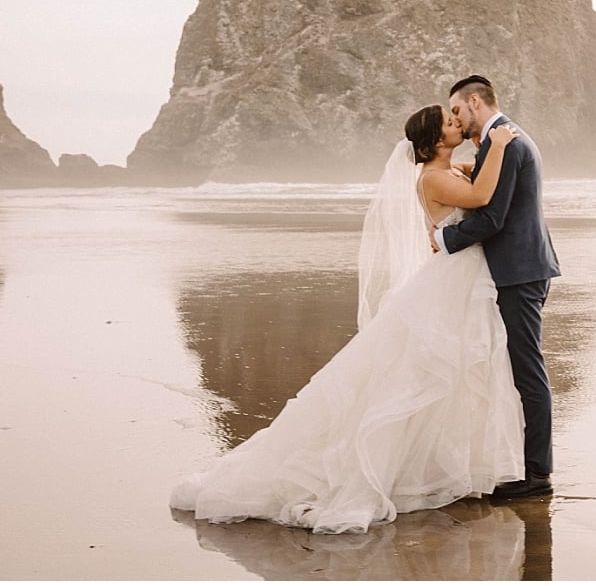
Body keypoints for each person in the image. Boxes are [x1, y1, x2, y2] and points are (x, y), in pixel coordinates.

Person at [170, 105, 525, 534]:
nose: (458, 125)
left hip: (462, 278)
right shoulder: (432, 177)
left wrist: (478, 159)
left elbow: (472, 182)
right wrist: (501, 145)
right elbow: (482, 198)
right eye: (450, 124)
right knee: (420, 373)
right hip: (451, 281)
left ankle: (444, 465)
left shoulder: (448, 170)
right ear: (433, 141)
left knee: (455, 370)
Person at [432, 75, 561, 499]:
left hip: (520, 272)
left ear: (474, 102)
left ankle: (537, 475)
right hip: (522, 267)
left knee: (528, 370)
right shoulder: (500, 143)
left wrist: (442, 240)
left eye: (456, 111)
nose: (454, 119)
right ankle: (524, 464)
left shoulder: (506, 143)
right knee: (518, 369)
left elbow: (492, 218)